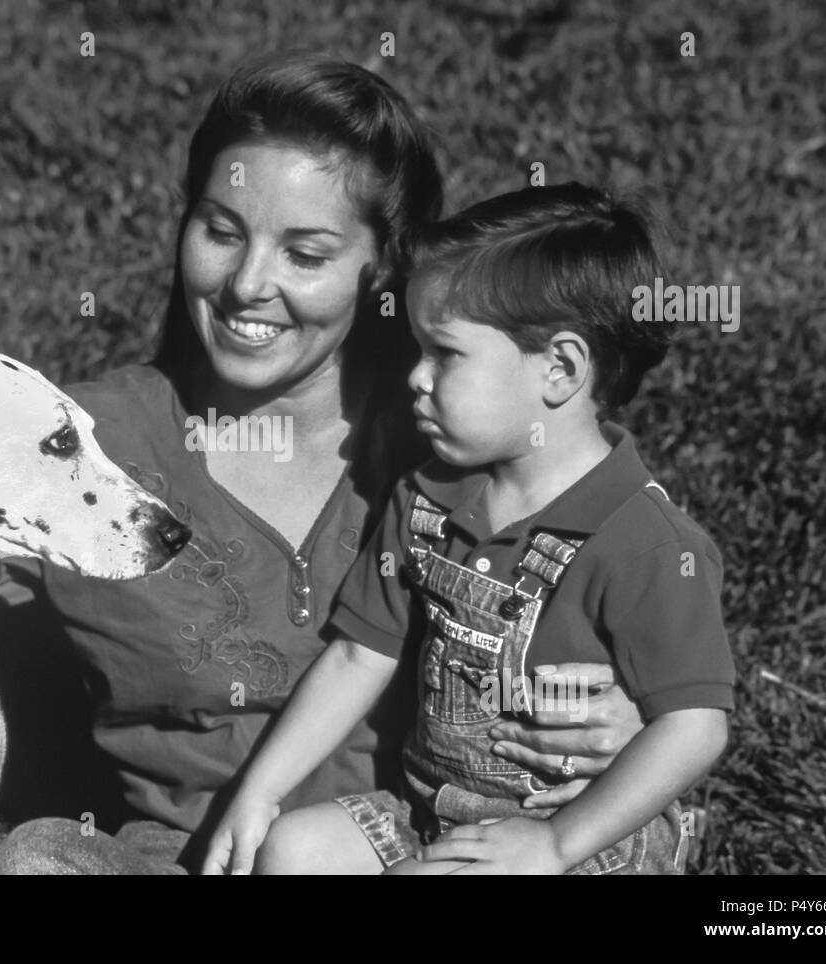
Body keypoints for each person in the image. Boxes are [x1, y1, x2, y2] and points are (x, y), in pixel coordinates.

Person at [0, 54, 647, 875]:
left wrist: (622, 716)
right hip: (177, 861)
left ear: (384, 271)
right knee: (36, 862)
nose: (246, 285)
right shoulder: (88, 446)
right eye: (221, 230)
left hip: (416, 854)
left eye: (305, 253)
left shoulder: (450, 434)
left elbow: (629, 581)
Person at [203, 183, 736, 876]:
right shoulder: (425, 498)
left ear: (561, 369)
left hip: (587, 836)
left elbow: (696, 725)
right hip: (435, 812)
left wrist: (554, 842)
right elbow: (360, 656)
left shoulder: (647, 541)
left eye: (445, 354)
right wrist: (261, 791)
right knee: (293, 850)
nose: (415, 379)